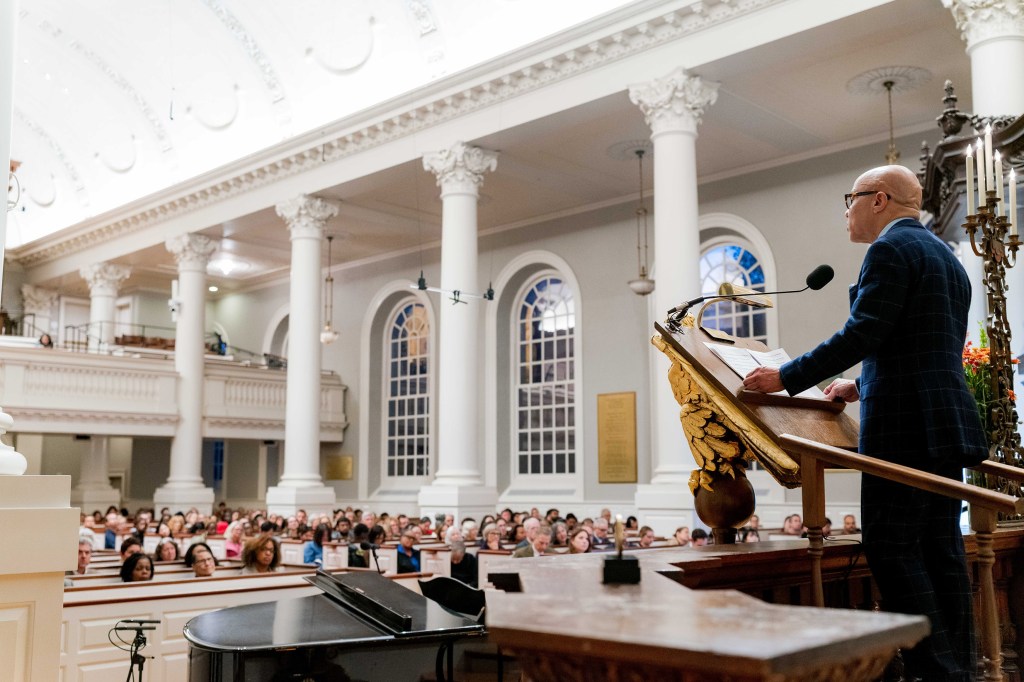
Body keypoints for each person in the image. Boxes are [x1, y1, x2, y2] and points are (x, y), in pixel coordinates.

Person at [742, 165, 986, 681]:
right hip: (942, 422)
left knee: (892, 545)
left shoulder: (890, 249)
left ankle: (937, 672)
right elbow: (919, 343)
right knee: (940, 550)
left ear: (879, 199)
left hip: (905, 426)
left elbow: (862, 332)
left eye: (849, 198)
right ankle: (957, 670)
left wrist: (785, 377)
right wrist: (862, 383)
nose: (846, 210)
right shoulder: (946, 256)